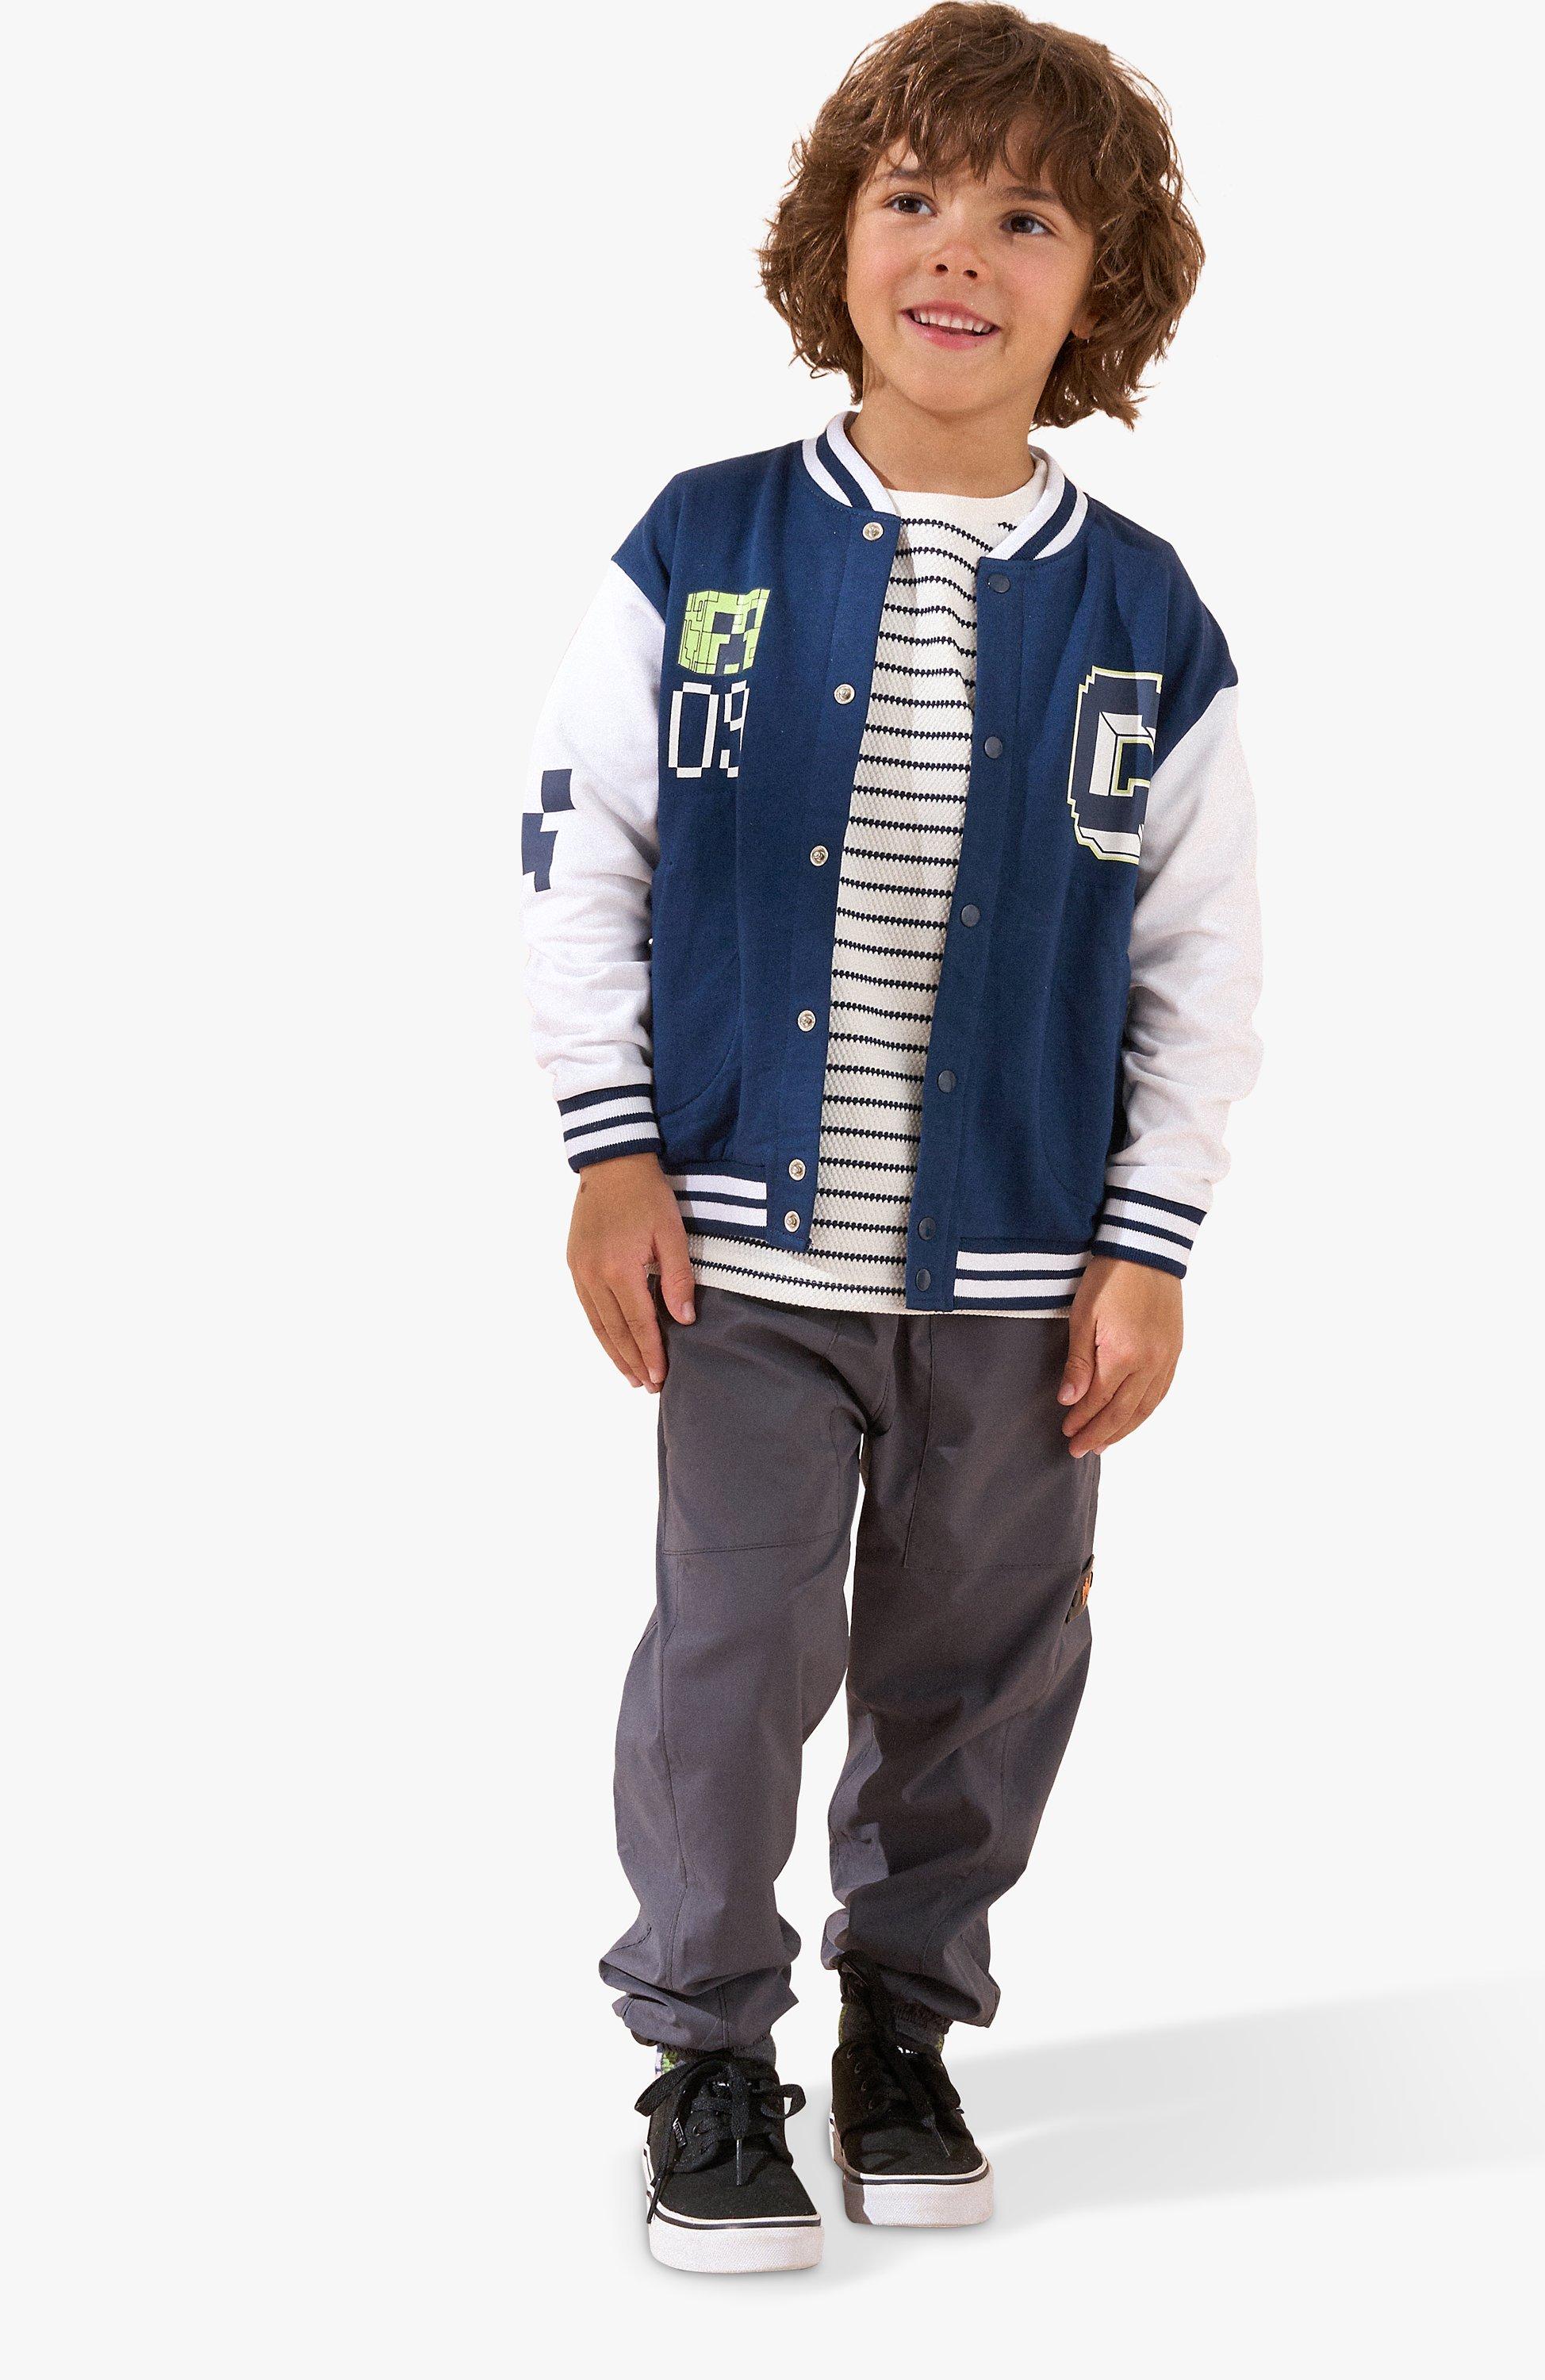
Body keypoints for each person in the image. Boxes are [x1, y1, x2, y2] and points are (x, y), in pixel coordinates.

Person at [519, 0, 1263, 2274]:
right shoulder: (706, 546)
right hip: (740, 1267)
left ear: (1099, 282)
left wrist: (1148, 1242)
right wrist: (611, 1149)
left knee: (983, 1670)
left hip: (1022, 1281)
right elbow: (583, 853)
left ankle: (906, 2028)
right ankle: (704, 2053)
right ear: (833, 237)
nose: (958, 251)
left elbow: (1201, 957)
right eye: (913, 196)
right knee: (729, 1662)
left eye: (1026, 218)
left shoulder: (1143, 611)